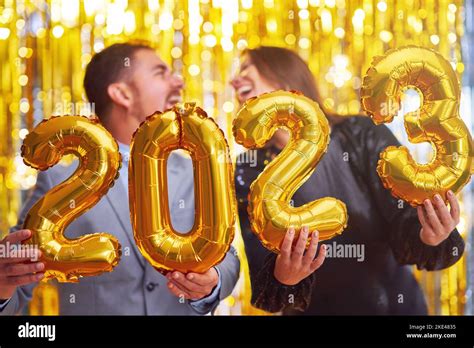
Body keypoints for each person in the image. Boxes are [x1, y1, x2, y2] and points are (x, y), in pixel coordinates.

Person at [0, 43, 240, 315]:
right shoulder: (57, 179)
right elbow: (16, 290)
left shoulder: (195, 170)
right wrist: (2, 282)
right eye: (161, 73)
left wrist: (214, 281)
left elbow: (227, 256)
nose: (178, 81)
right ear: (122, 93)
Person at [231, 46, 464, 315]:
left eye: (246, 69)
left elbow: (405, 219)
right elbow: (262, 268)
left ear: (283, 75)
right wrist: (284, 278)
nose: (233, 80)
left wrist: (431, 235)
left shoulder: (361, 135)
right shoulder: (249, 169)